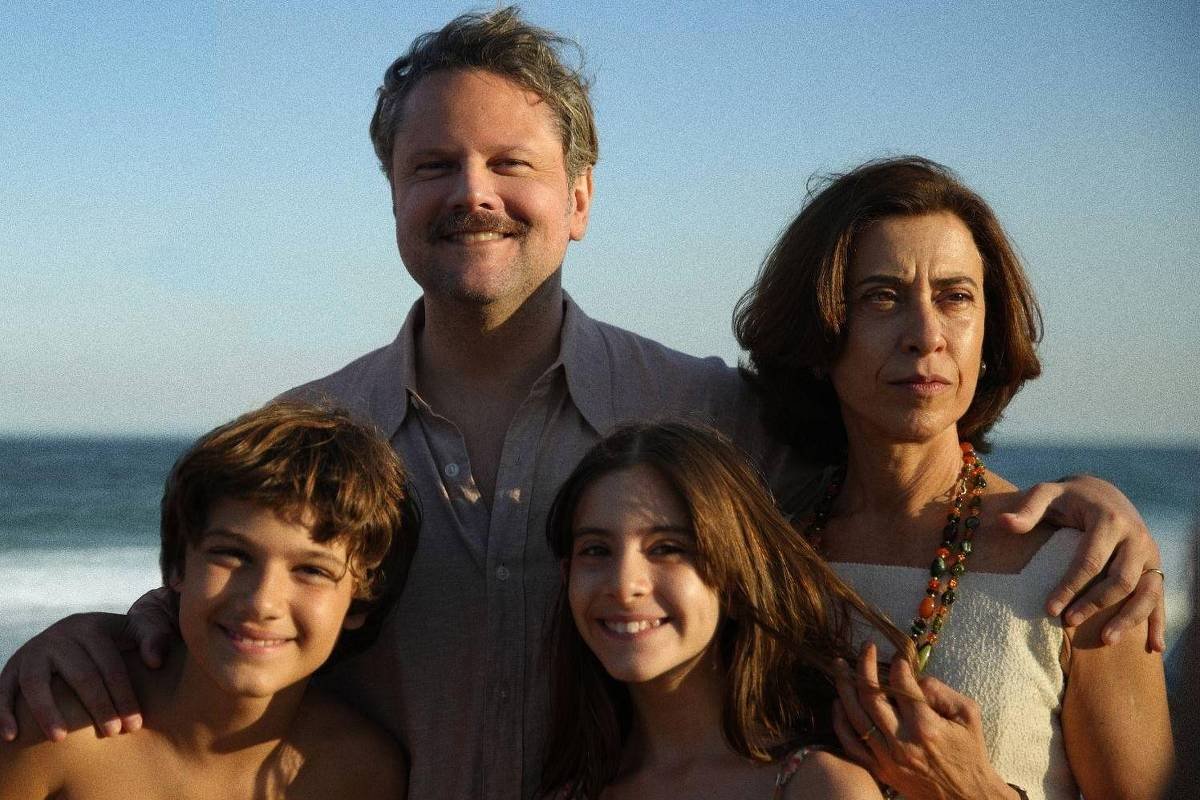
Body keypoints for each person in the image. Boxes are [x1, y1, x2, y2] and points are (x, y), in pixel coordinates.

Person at [0, 9, 1166, 800]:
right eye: (432, 168)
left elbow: (901, 473)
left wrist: (1095, 514)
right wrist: (93, 635)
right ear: (392, 195)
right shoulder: (314, 438)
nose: (474, 196)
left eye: (511, 165)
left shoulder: (722, 420)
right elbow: (232, 613)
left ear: (580, 197)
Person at [735, 156, 1173, 799]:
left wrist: (971, 790)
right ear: (820, 328)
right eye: (881, 297)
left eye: (955, 297)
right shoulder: (769, 560)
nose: (926, 335)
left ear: (988, 330)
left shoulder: (1082, 566)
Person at [0, 400, 415, 799]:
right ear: (178, 565)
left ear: (360, 603)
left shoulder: (361, 773)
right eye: (232, 554)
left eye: (312, 570)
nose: (261, 601)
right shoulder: (59, 728)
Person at [541, 421, 923, 799]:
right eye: (595, 550)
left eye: (667, 548)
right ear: (567, 574)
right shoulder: (572, 793)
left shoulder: (816, 788)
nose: (624, 586)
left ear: (735, 580)